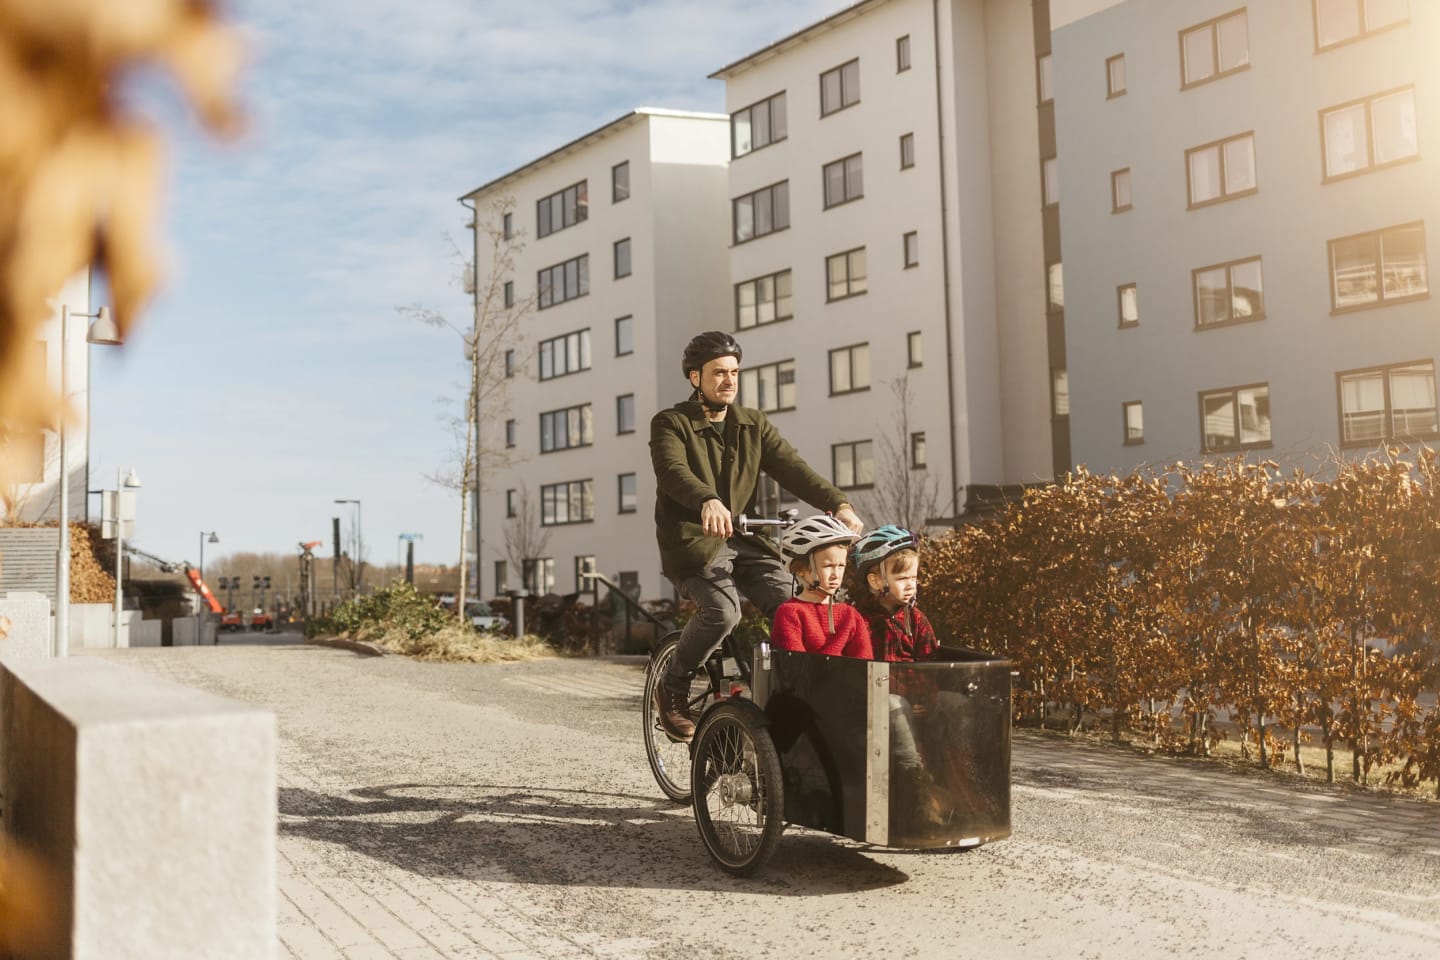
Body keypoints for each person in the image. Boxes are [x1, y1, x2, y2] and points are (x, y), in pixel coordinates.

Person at [651, 331, 864, 740]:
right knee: (723, 612)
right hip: (694, 543)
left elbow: (792, 468)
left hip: (745, 539)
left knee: (797, 605)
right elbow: (672, 472)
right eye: (718, 373)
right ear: (695, 377)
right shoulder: (671, 423)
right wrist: (707, 500)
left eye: (734, 372)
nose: (729, 380)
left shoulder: (752, 424)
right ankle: (673, 685)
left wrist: (838, 503)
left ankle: (792, 695)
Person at [770, 514, 872, 658]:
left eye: (841, 566)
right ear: (801, 569)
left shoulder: (851, 616)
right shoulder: (791, 613)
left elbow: (866, 669)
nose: (836, 574)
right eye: (828, 566)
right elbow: (797, 668)